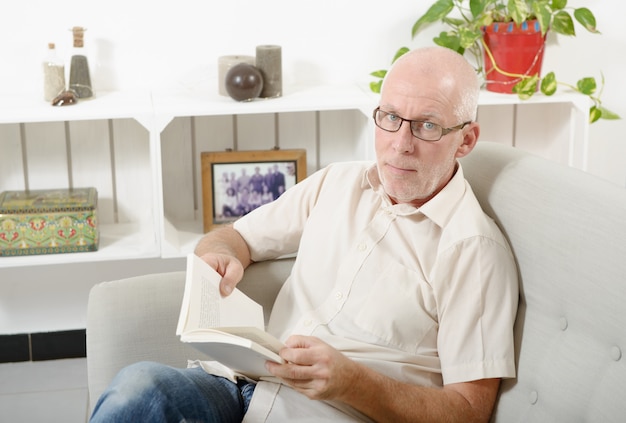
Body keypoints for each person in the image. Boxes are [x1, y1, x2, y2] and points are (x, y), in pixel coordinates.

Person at [90, 46, 519, 423]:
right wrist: (220, 253)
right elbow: (234, 237)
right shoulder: (337, 184)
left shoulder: (473, 251)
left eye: (426, 126)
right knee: (138, 386)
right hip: (244, 388)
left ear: (466, 140)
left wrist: (352, 383)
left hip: (336, 414)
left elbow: (468, 411)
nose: (400, 143)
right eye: (390, 117)